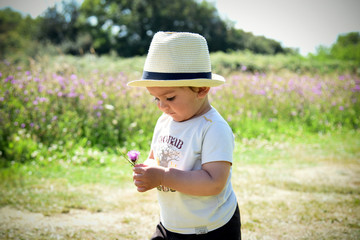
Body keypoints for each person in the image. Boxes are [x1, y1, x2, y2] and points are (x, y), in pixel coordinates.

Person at [128, 31, 241, 240]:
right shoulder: (164, 121)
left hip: (210, 228)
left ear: (201, 89)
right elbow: (156, 157)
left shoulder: (213, 128)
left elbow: (214, 182)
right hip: (171, 224)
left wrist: (162, 176)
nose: (162, 106)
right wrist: (147, 170)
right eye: (155, 99)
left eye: (169, 97)